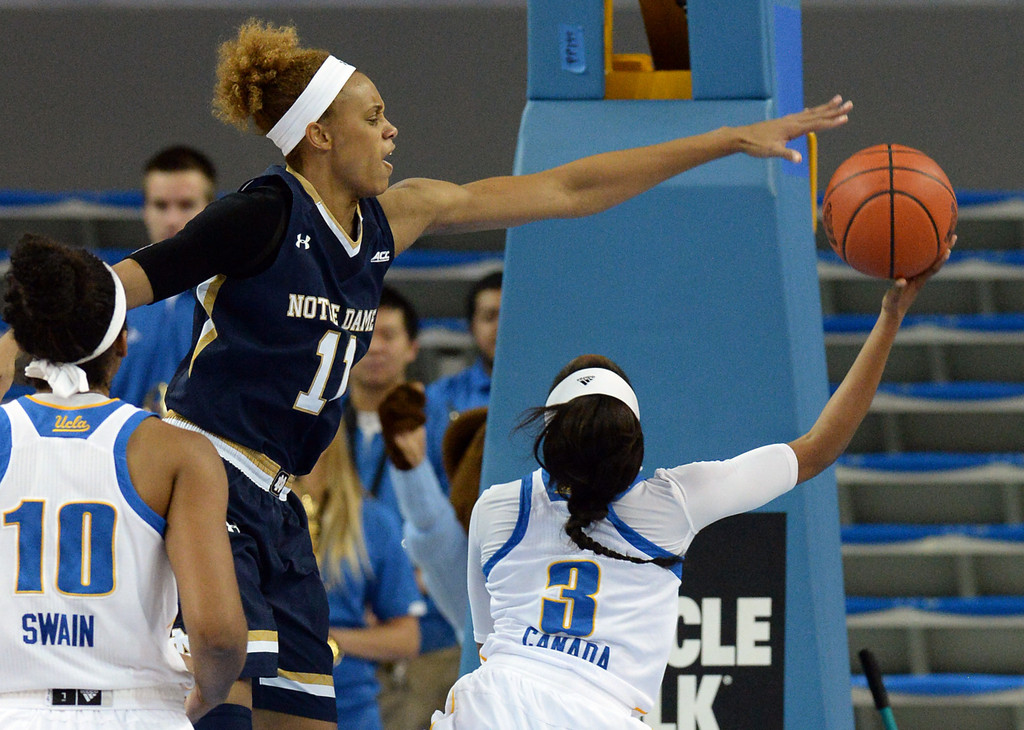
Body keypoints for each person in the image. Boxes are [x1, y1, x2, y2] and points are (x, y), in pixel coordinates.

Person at [0, 18, 853, 729]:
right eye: (375, 115)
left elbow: (567, 190)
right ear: (321, 134)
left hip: (279, 496)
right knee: (223, 706)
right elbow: (112, 291)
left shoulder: (391, 220)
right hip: (207, 479)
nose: (392, 130)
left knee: (305, 718)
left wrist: (724, 141)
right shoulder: (261, 215)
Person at [429, 246, 953, 729]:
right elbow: (818, 447)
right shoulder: (671, 503)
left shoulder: (495, 507)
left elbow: (485, 644)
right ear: (632, 443)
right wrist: (891, 316)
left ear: (551, 434)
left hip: (489, 703)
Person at [0, 234, 246, 728]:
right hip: (137, 710)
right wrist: (206, 694)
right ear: (122, 341)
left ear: (26, 341)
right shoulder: (179, 451)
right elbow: (218, 636)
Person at [343, 286, 460, 730]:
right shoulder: (316, 427)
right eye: (365, 335)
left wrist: (410, 585)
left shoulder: (444, 429)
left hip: (429, 641)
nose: (375, 346)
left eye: (388, 335)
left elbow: (462, 526)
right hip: (347, 639)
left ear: (413, 347)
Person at [294, 428, 423, 730]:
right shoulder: (256, 509)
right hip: (265, 702)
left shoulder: (374, 522)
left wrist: (332, 639)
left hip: (349, 708)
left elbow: (407, 639)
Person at [110, 146, 217, 412]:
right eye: (160, 205)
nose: (172, 220)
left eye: (185, 205)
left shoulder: (237, 299)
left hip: (209, 453)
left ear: (213, 210)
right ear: (145, 210)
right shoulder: (108, 296)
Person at [424, 270, 501, 490]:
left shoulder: (548, 392)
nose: (499, 327)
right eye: (489, 317)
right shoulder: (438, 397)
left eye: (509, 316)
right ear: (471, 327)